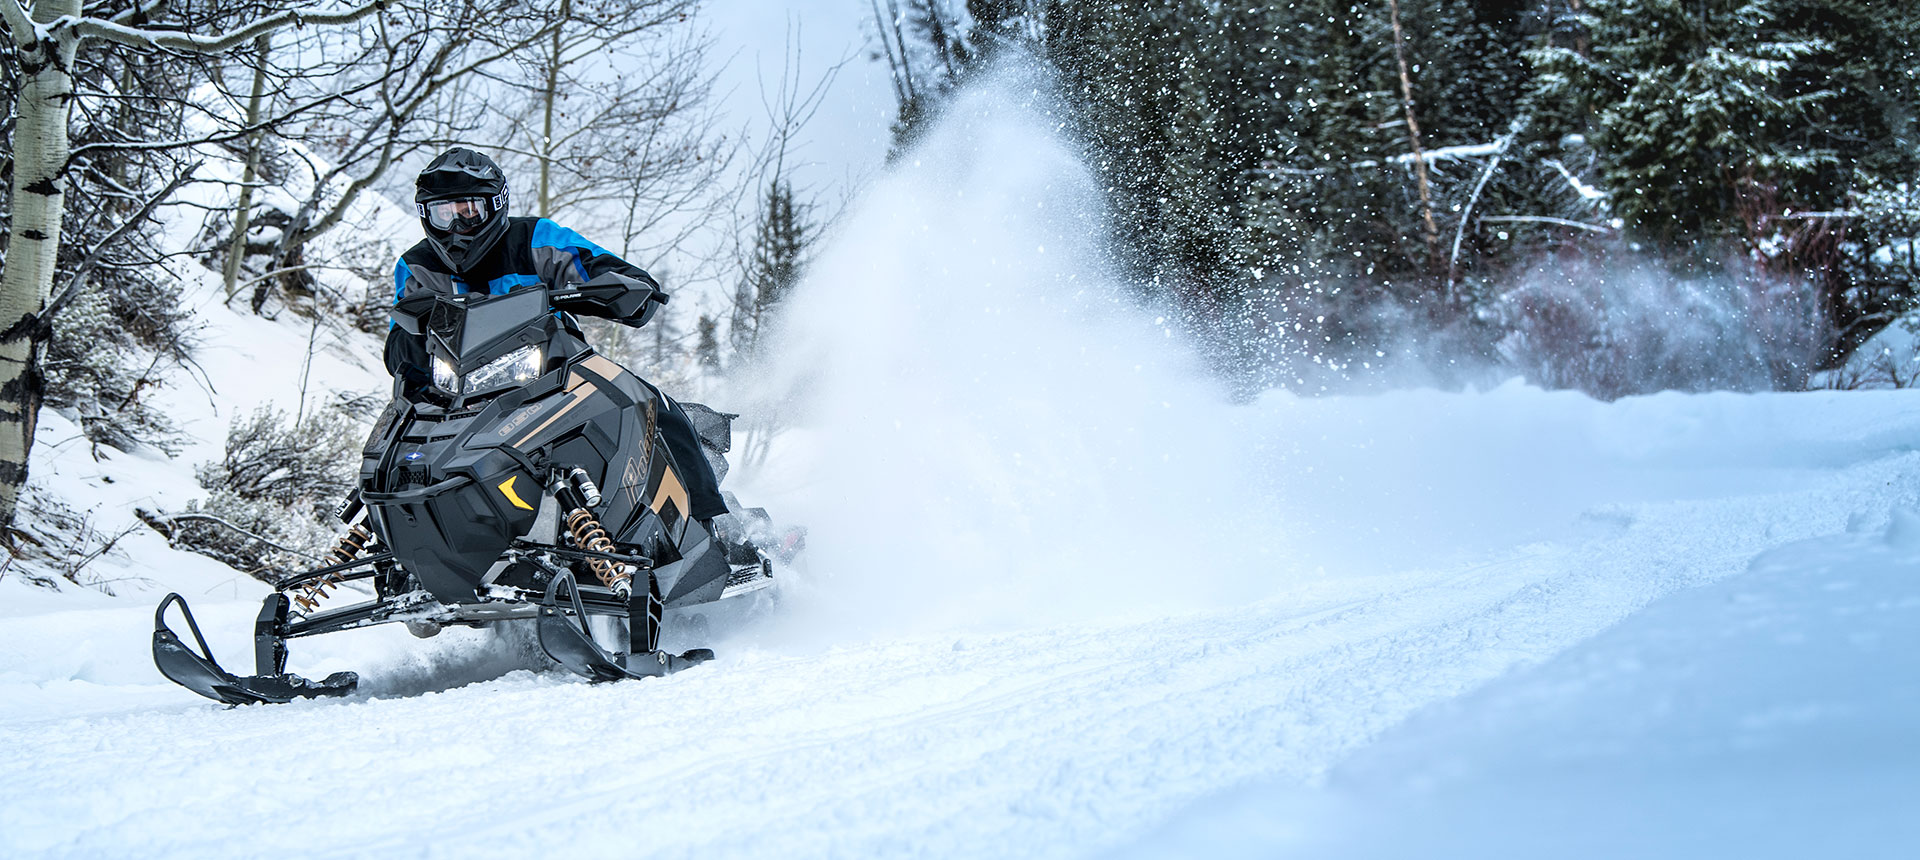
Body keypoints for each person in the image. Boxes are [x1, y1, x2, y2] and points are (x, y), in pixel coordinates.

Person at [385, 146, 727, 522]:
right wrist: (412, 333)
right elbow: (399, 346)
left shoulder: (536, 238)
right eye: (443, 214)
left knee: (648, 403)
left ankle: (712, 521)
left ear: (495, 205)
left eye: (468, 211)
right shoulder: (416, 265)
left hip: (554, 371)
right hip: (459, 392)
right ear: (425, 216)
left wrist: (620, 290)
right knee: (403, 429)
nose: (456, 227)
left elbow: (605, 269)